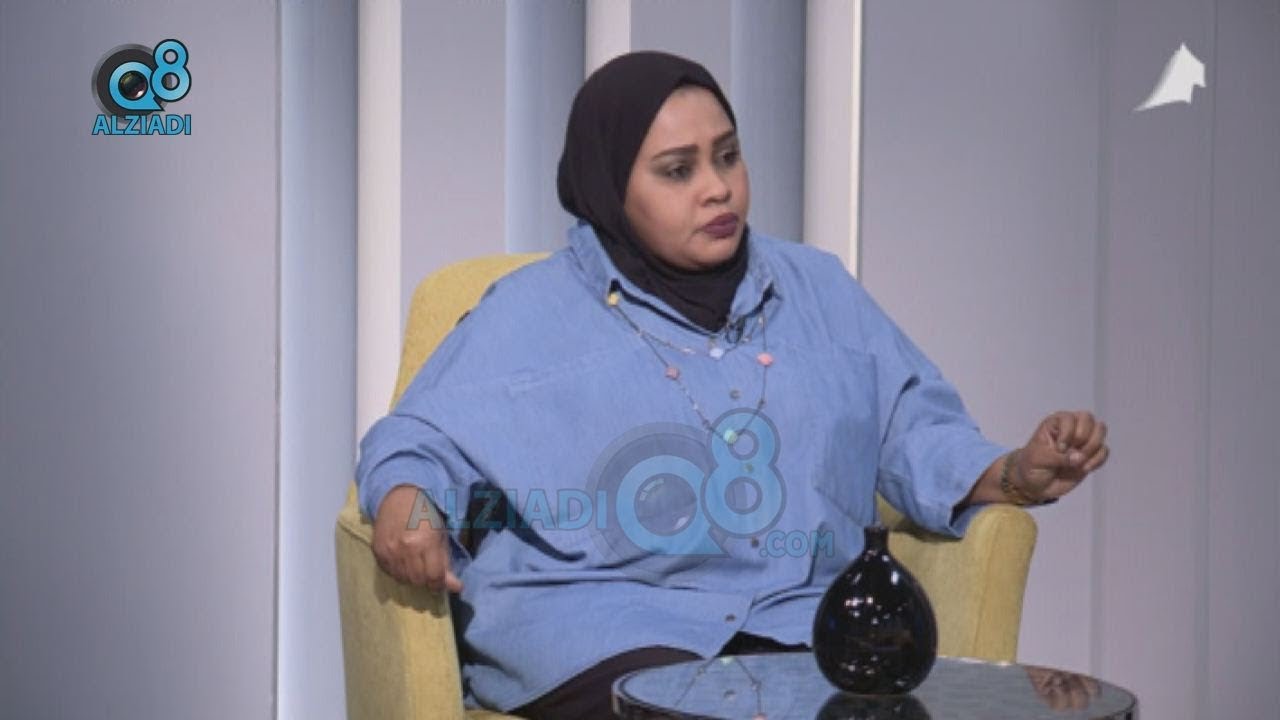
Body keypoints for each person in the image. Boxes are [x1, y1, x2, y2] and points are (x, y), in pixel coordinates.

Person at [356, 51, 1109, 719]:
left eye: (728, 156)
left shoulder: (818, 289)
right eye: (677, 170)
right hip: (603, 628)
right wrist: (406, 505)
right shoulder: (528, 312)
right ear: (609, 187)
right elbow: (419, 439)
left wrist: (1012, 472)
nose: (717, 189)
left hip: (796, 622)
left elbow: (910, 426)